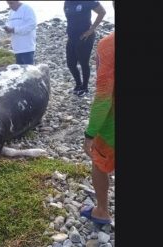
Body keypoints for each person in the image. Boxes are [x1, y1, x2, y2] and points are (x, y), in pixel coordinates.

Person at [81, 2, 114, 225]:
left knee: (99, 162)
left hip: (111, 127)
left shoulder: (108, 45)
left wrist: (90, 133)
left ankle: (102, 211)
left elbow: (104, 96)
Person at [64, 1, 106, 97]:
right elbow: (70, 19)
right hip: (72, 37)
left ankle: (85, 88)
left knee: (84, 62)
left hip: (85, 37)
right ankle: (78, 84)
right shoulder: (67, 2)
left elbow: (102, 12)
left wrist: (91, 30)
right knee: (70, 64)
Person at [4, 1, 37, 65]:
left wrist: (14, 30)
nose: (10, 6)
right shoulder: (11, 12)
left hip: (27, 48)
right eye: (8, 4)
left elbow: (32, 25)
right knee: (20, 72)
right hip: (16, 49)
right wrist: (8, 29)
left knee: (29, 72)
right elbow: (9, 24)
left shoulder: (27, 9)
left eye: (11, 3)